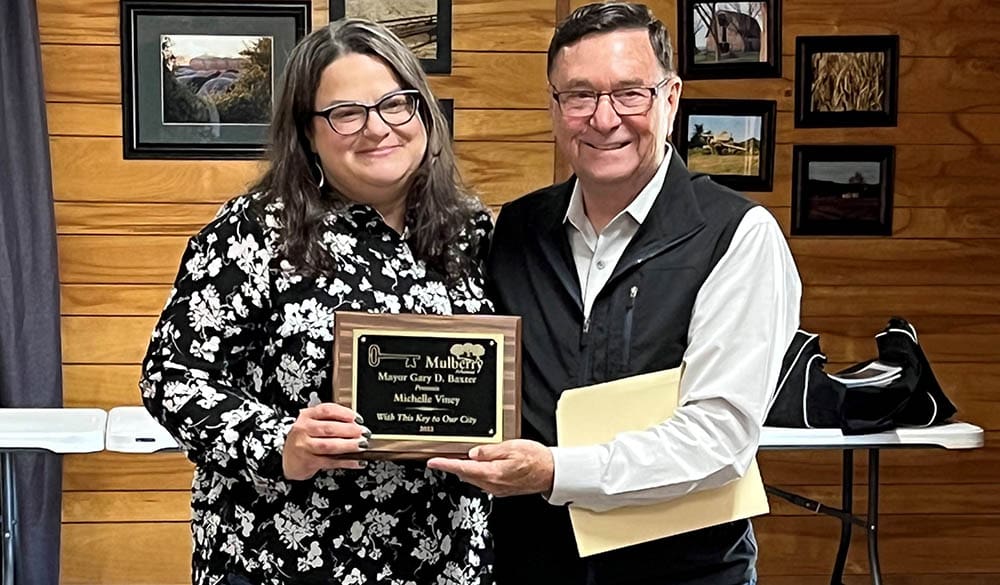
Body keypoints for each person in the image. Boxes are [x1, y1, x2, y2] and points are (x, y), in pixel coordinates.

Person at [427, 3, 801, 584]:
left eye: (630, 93)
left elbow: (720, 437)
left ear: (671, 99)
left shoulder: (737, 236)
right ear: (555, 108)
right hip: (530, 564)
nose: (603, 119)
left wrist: (554, 472)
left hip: (684, 572)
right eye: (579, 96)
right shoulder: (517, 230)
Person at [140, 19, 494, 585]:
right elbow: (171, 376)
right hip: (288, 554)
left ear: (422, 111)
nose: (377, 128)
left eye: (395, 103)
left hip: (441, 552)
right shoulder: (255, 230)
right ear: (307, 133)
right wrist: (280, 441)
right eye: (345, 113)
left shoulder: (468, 229)